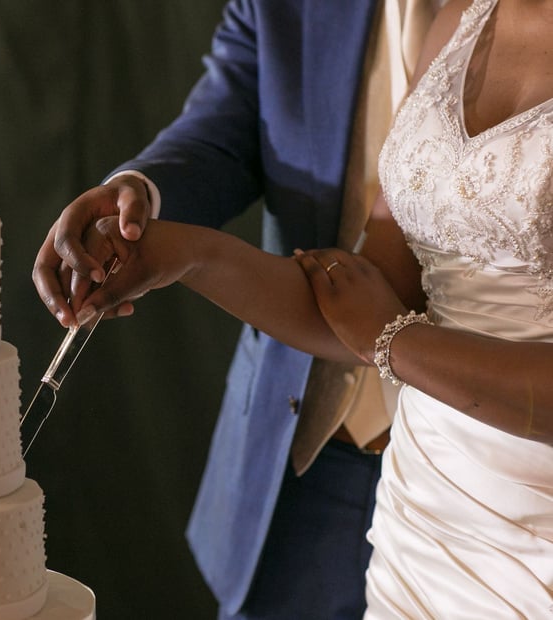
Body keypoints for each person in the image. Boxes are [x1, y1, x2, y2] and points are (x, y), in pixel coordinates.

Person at [39, 0, 553, 616]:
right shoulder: (467, 17)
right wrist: (180, 253)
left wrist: (395, 343)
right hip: (415, 517)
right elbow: (361, 299)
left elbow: (378, 328)